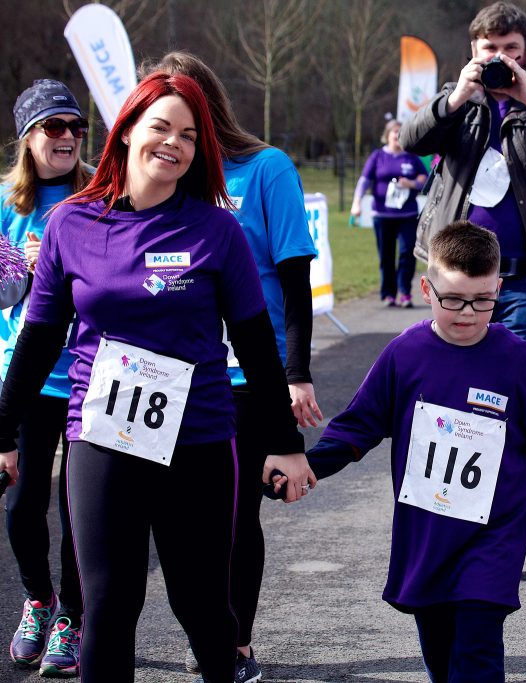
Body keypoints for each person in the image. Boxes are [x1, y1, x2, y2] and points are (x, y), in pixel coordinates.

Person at [0, 72, 315, 683]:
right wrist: (3, 429)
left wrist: (285, 442)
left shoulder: (216, 230)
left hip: (198, 439)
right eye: (161, 127)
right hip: (102, 436)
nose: (174, 143)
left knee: (202, 606)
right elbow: (37, 339)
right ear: (126, 132)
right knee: (108, 605)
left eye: (189, 136)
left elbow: (255, 346)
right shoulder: (70, 223)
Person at [278, 221, 526, 683]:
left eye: (482, 300)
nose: (468, 313)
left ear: (498, 289)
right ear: (426, 289)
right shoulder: (404, 354)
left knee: (476, 651)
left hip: (494, 535)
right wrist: (307, 466)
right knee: (440, 651)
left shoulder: (515, 358)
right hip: (427, 533)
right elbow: (357, 428)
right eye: (453, 299)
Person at [150, 50, 323, 683]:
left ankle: (235, 645)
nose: (172, 134)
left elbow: (296, 282)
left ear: (207, 108)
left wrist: (295, 374)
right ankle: (204, 630)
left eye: (185, 118)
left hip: (250, 377)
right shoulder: (163, 179)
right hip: (170, 378)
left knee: (233, 517)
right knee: (177, 523)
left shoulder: (266, 168)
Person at [399, 0, 526, 371]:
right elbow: (411, 140)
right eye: (491, 47)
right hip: (458, 275)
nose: (501, 57)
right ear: (474, 50)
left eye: (511, 48)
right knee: (455, 378)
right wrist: (456, 99)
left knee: (519, 381)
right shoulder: (456, 100)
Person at [1, 78, 90, 677]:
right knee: (22, 504)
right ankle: (39, 600)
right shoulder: (7, 205)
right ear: (28, 137)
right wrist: (28, 270)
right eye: (54, 127)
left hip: (89, 374)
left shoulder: (101, 194)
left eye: (75, 127)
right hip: (27, 378)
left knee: (80, 507)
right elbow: (1, 291)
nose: (67, 137)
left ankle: (73, 618)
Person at [351, 120, 428, 308]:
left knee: (407, 253)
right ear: (387, 135)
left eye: (401, 132)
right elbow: (364, 180)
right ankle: (388, 294)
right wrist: (356, 203)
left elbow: (425, 180)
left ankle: (405, 292)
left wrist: (411, 183)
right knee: (386, 256)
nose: (397, 135)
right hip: (382, 215)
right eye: (395, 132)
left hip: (407, 216)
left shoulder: (411, 157)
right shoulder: (378, 156)